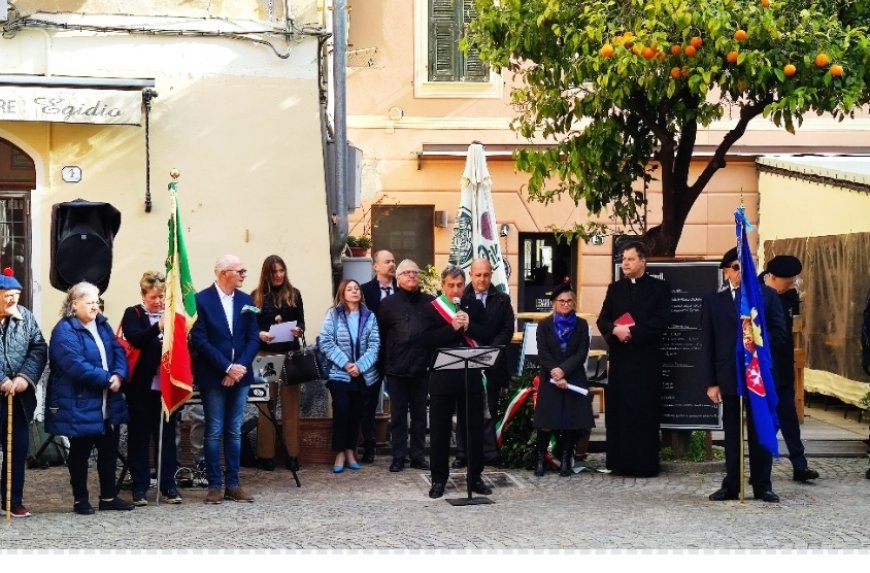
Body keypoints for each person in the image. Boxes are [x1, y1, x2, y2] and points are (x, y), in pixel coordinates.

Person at [703, 247, 789, 503]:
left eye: (745, 266)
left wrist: (756, 342)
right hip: (729, 375)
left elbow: (780, 333)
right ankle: (732, 484)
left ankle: (763, 485)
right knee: (732, 433)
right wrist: (711, 382)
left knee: (761, 428)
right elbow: (707, 343)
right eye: (736, 267)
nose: (741, 272)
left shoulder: (767, 296)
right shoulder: (714, 301)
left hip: (758, 376)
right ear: (727, 272)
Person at [45, 281, 133, 515]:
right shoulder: (64, 330)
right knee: (80, 452)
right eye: (91, 302)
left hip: (108, 402)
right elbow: (75, 365)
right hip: (80, 401)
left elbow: (118, 351)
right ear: (75, 305)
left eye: (97, 302)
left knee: (108, 450)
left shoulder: (102, 324)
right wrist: (107, 379)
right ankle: (80, 500)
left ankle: (108, 497)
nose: (96, 307)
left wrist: (119, 374)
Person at [597, 240, 672, 477]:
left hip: (646, 361)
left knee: (644, 412)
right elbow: (603, 319)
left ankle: (645, 465)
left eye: (630, 259)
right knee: (620, 413)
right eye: (623, 259)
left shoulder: (660, 289)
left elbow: (662, 321)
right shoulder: (615, 288)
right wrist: (615, 331)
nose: (625, 263)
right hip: (621, 362)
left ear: (643, 261)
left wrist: (633, 332)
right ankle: (619, 463)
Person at [190, 254, 260, 504]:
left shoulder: (246, 300)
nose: (244, 275)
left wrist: (238, 367)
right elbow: (199, 339)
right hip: (214, 376)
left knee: (234, 431)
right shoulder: (201, 300)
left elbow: (253, 337)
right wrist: (226, 367)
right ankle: (214, 485)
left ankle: (233, 484)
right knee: (214, 430)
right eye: (240, 271)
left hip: (240, 375)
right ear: (223, 273)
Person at [425, 265, 492, 499]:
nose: (456, 289)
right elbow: (426, 340)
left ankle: (475, 477)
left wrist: (469, 326)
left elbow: (487, 333)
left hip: (470, 375)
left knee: (473, 429)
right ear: (442, 286)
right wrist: (452, 329)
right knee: (440, 432)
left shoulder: (474, 305)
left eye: (460, 285)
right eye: (451, 285)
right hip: (442, 378)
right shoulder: (432, 309)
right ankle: (438, 480)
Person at [120, 271, 183, 506]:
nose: (158, 301)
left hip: (167, 385)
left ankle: (168, 484)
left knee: (167, 436)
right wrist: (158, 326)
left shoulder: (172, 315)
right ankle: (139, 486)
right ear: (144, 295)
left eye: (162, 296)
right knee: (139, 436)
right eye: (154, 296)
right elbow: (135, 338)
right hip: (141, 387)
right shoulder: (133, 313)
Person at [760, 255, 819, 482]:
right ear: (772, 278)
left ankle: (799, 465)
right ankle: (760, 468)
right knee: (768, 420)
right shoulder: (757, 295)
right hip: (765, 369)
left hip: (784, 367)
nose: (792, 286)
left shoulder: (789, 296)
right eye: (788, 282)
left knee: (789, 418)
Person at [454, 258, 515, 469]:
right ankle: (463, 453)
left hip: (494, 362)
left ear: (491, 275)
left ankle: (490, 452)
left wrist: (490, 351)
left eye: (486, 275)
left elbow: (507, 330)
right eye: (478, 275)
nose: (482, 279)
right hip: (466, 362)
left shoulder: (502, 300)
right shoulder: (460, 298)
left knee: (490, 409)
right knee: (465, 410)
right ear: (471, 274)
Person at [318, 279, 380, 473]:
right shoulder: (334, 314)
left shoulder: (369, 316)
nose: (354, 292)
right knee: (342, 411)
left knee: (356, 414)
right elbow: (326, 341)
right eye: (349, 289)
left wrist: (360, 366)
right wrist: (346, 364)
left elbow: (375, 345)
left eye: (357, 289)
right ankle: (339, 453)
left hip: (362, 375)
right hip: (339, 374)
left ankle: (351, 451)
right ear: (342, 293)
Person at [378, 259, 434, 473]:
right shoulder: (387, 304)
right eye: (407, 273)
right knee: (399, 416)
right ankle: (399, 456)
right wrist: (383, 367)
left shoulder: (430, 302)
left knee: (420, 416)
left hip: (422, 369)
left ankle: (418, 455)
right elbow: (382, 337)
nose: (412, 276)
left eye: (415, 272)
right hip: (396, 368)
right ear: (398, 278)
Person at [0, 268, 48, 518]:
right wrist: (2, 379)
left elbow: (39, 347)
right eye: (7, 295)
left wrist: (23, 378)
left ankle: (12, 499)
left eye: (16, 295)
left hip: (18, 397)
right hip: (2, 389)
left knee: (17, 448)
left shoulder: (25, 317)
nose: (12, 300)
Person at [534, 283, 594, 477]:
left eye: (569, 301)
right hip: (550, 379)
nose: (565, 304)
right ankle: (540, 458)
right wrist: (555, 371)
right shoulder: (544, 325)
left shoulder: (582, 325)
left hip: (573, 377)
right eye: (561, 301)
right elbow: (542, 353)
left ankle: (566, 460)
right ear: (554, 303)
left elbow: (581, 353)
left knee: (570, 421)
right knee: (546, 422)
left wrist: (563, 370)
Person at [251, 254, 305, 472]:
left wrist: (298, 330)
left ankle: (292, 455)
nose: (279, 275)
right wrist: (260, 334)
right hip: (265, 355)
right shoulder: (255, 297)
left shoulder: (294, 294)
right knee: (265, 406)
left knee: (291, 407)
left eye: (282, 271)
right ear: (266, 273)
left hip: (291, 354)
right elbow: (250, 327)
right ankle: (266, 456)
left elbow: (302, 322)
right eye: (275, 272)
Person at [358, 249, 397, 463]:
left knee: (400, 402)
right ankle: (370, 447)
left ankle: (401, 449)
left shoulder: (402, 290)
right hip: (372, 356)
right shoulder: (364, 291)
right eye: (387, 261)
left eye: (393, 261)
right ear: (376, 266)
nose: (392, 265)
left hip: (397, 355)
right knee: (369, 402)